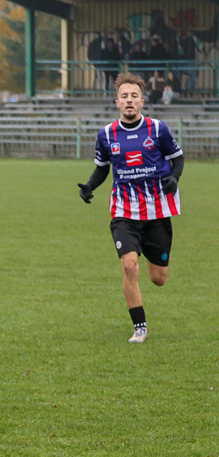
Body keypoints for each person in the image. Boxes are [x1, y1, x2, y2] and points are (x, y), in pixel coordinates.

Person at [77, 72, 184, 344]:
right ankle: (140, 327)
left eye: (134, 96)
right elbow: (102, 169)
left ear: (142, 101)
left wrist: (174, 177)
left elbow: (177, 158)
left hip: (157, 211)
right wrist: (90, 186)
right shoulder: (106, 135)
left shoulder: (158, 129)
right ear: (117, 102)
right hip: (124, 212)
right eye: (124, 96)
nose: (129, 100)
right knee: (128, 266)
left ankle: (150, 253)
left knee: (159, 278)